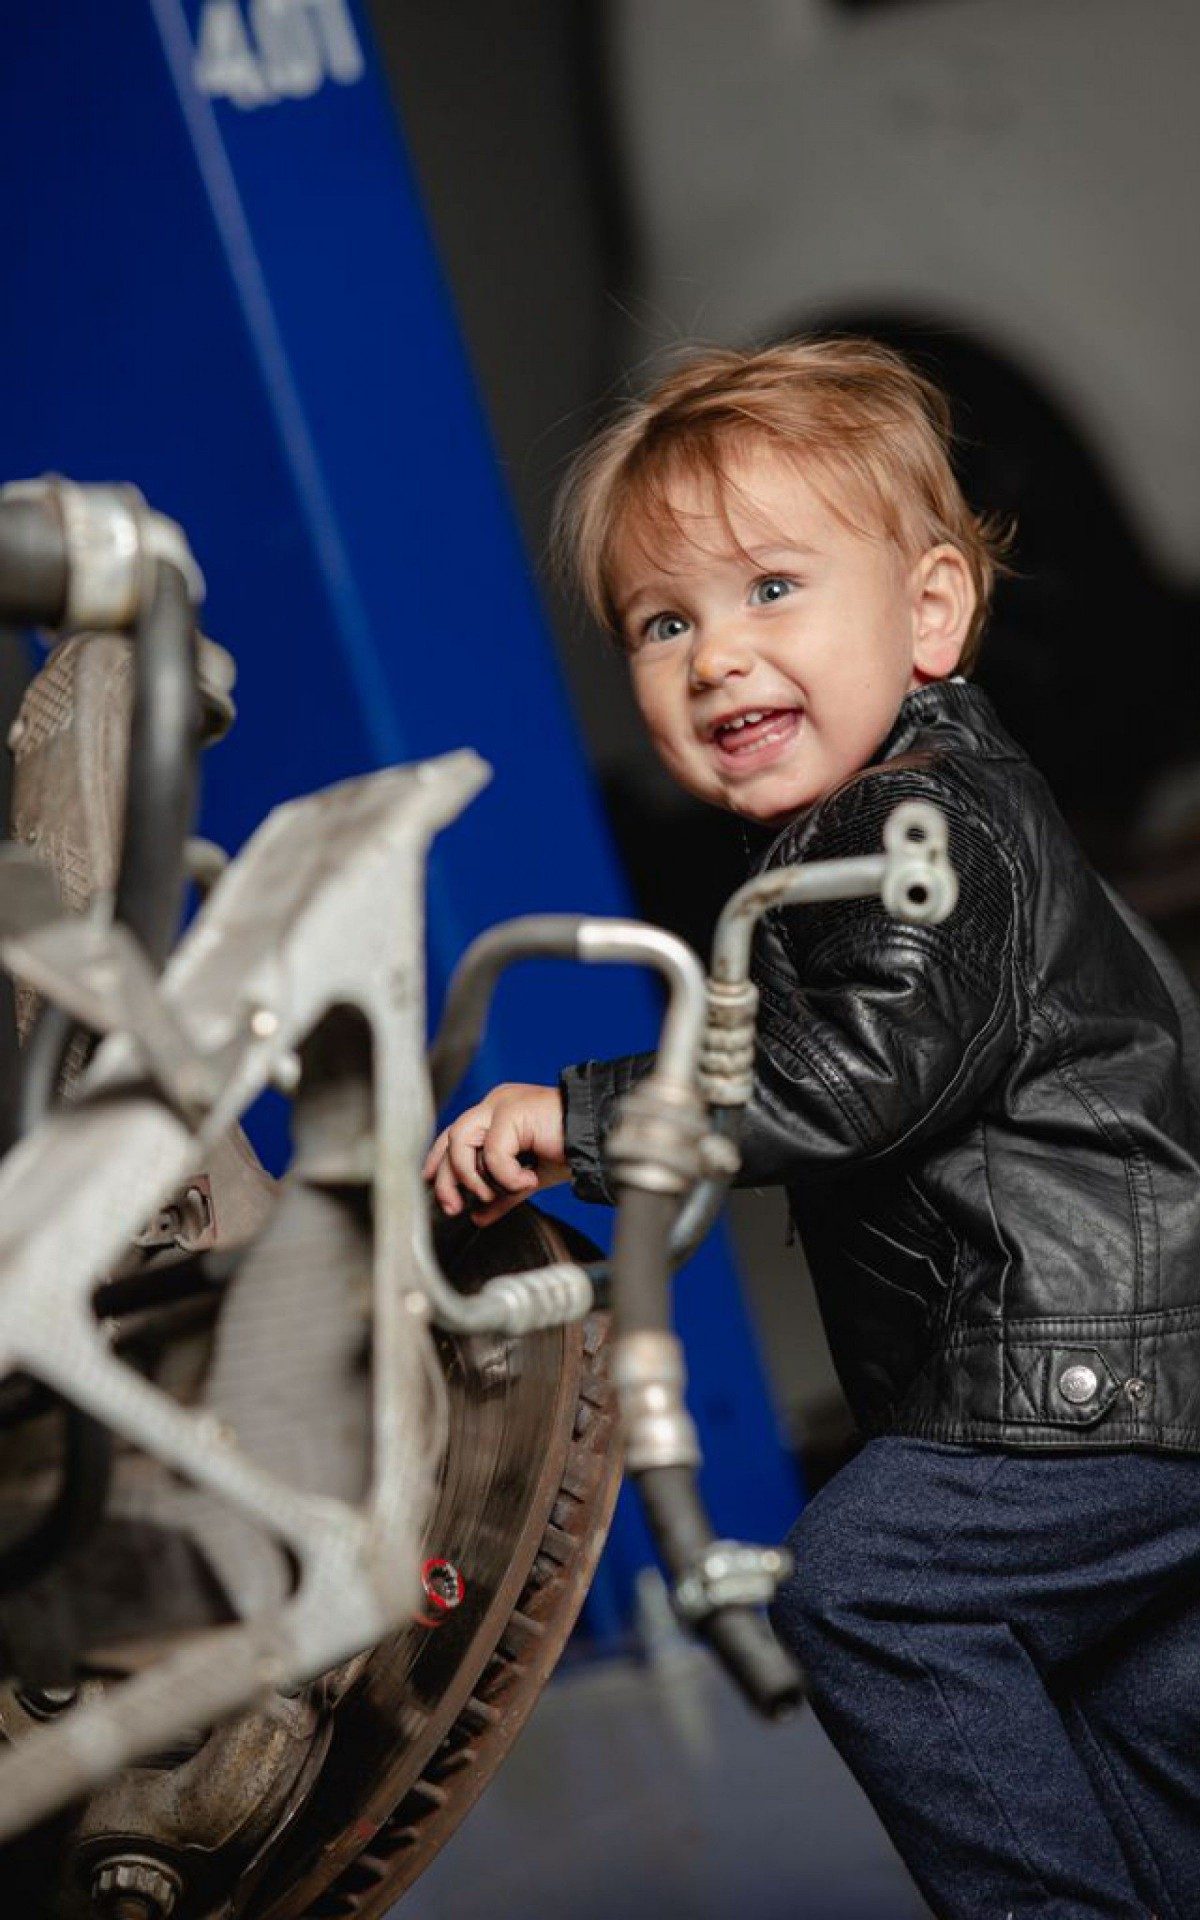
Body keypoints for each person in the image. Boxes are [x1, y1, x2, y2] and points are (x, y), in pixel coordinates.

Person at [423, 336, 1200, 1919]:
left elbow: (850, 1079)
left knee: (868, 1589)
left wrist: (579, 1118)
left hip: (1087, 1370)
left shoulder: (925, 829)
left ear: (930, 616)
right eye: (665, 621)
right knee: (1133, 1723)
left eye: (773, 588)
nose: (716, 655)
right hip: (1107, 1364)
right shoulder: (865, 836)